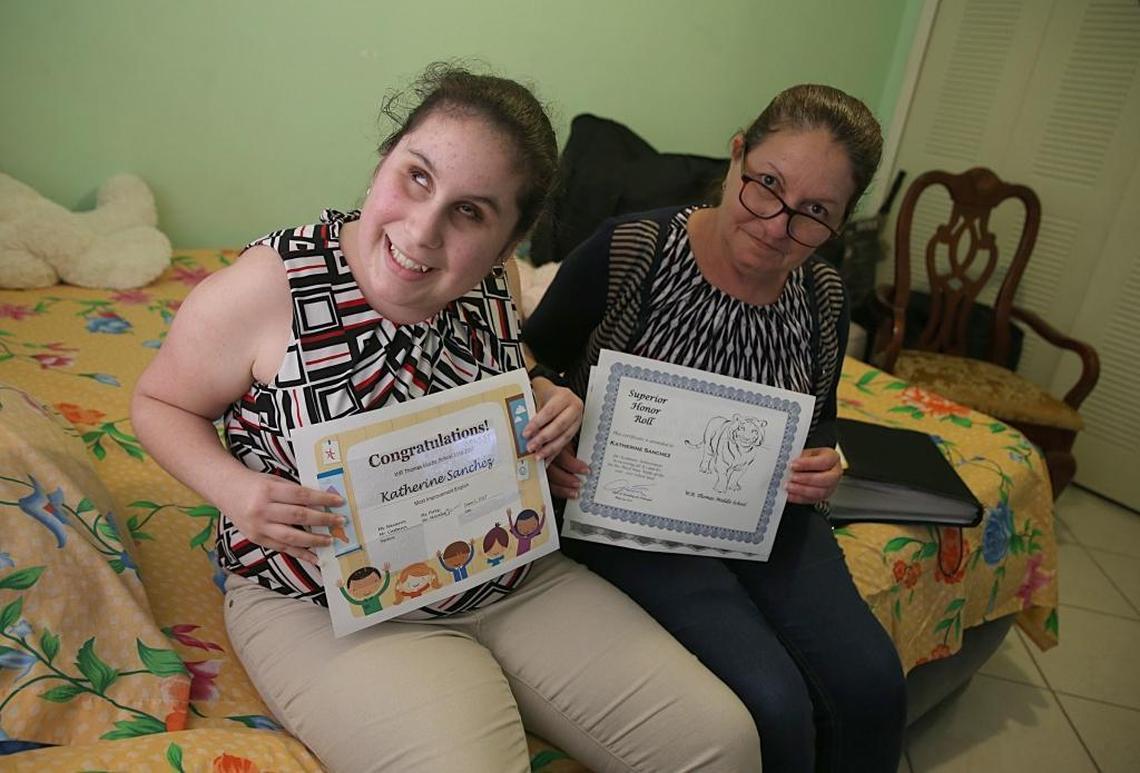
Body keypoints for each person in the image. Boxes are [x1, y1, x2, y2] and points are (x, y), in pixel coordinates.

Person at [132, 64, 760, 772]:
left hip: (509, 569)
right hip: (327, 602)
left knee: (725, 743)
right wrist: (237, 490)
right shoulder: (266, 288)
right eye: (416, 177)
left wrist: (544, 392)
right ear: (383, 160)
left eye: (471, 212)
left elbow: (506, 363)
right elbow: (159, 403)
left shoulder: (497, 281)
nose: (422, 231)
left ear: (508, 243)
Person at [524, 83, 907, 772]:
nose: (776, 225)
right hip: (630, 518)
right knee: (772, 699)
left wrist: (826, 462)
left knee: (873, 681)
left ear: (839, 222)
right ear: (736, 157)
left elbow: (819, 422)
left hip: (767, 517)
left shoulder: (824, 296)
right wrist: (549, 412)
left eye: (814, 212)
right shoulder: (631, 250)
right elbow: (526, 357)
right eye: (768, 185)